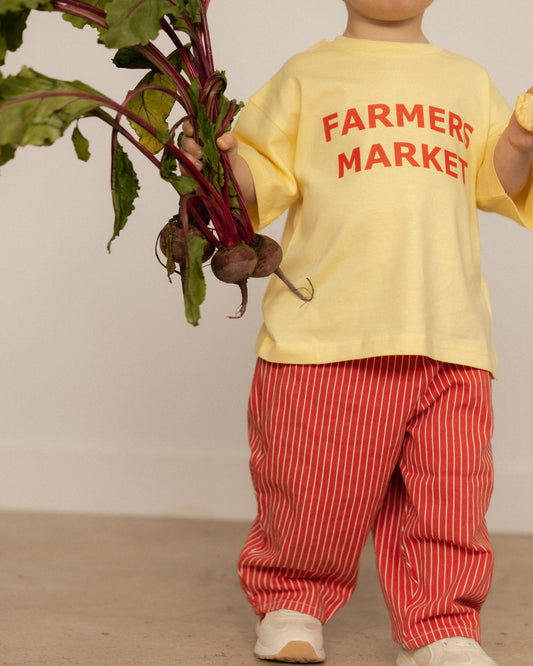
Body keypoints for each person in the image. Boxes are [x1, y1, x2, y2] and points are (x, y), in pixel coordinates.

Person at [182, 1, 533, 664]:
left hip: (447, 329)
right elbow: (258, 188)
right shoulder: (306, 76)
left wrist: (517, 139)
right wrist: (218, 163)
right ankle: (293, 599)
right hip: (329, 327)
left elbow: (498, 183)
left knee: (450, 493)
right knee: (311, 484)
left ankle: (441, 625)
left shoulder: (464, 79)